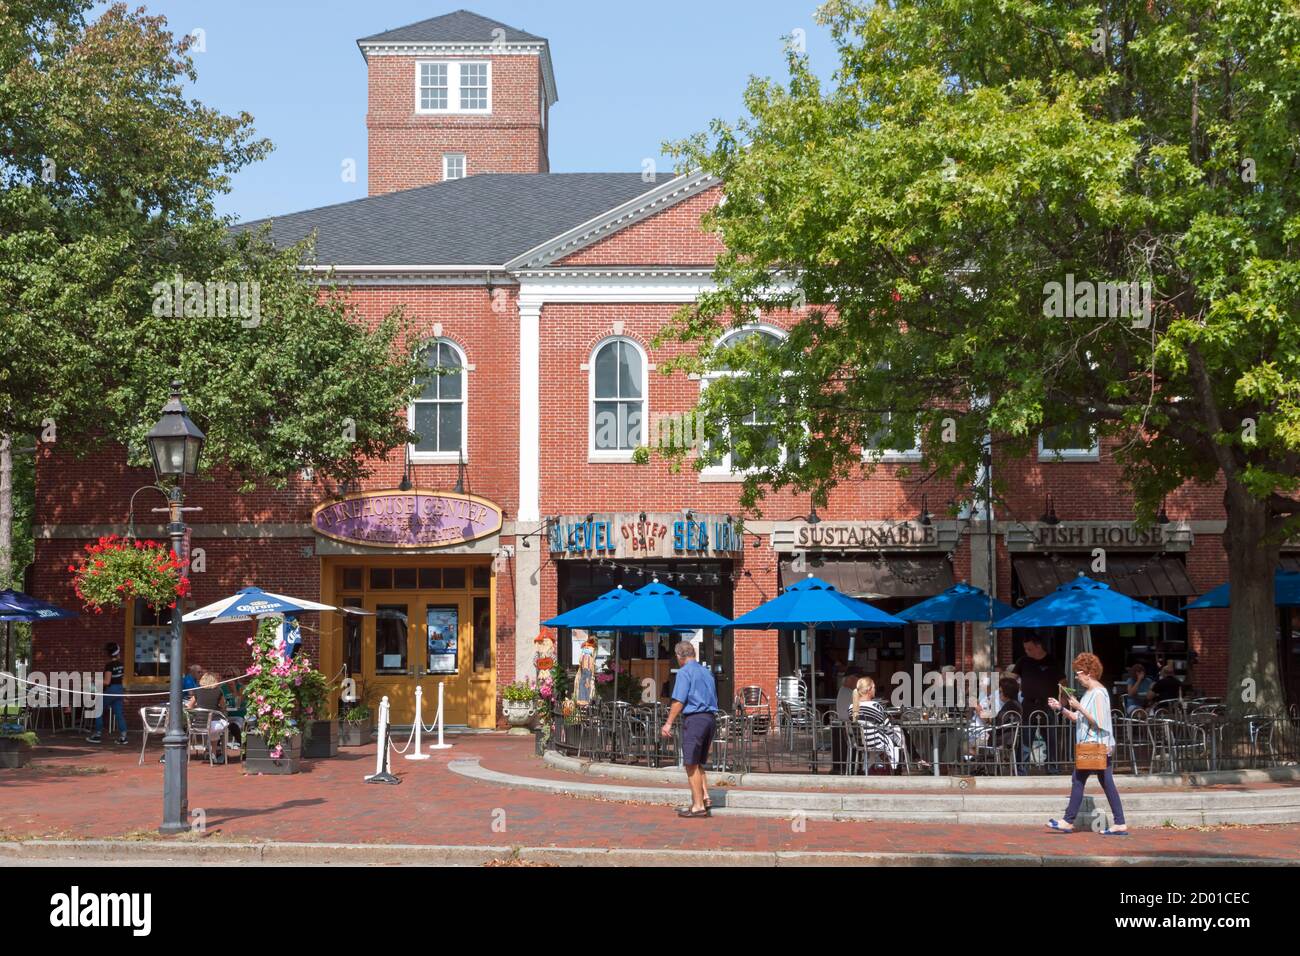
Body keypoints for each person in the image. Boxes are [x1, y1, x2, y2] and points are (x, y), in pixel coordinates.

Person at [1045, 653, 1127, 835]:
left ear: (1088, 673)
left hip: (1095, 744)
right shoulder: (1090, 693)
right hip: (1094, 745)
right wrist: (1061, 708)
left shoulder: (1098, 693)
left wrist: (1079, 707)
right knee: (1104, 782)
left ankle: (1068, 820)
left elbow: (1100, 721)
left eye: (1078, 672)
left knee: (1079, 779)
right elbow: (1078, 718)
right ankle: (1119, 822)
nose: (1076, 676)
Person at [661, 641, 718, 818]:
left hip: (695, 719)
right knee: (699, 761)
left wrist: (668, 723)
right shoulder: (706, 672)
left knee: (691, 763)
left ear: (679, 656)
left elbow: (679, 700)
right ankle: (706, 797)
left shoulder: (685, 672)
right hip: (710, 718)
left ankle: (698, 806)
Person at [1013, 635, 1064, 768]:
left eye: (1029, 649)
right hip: (1028, 704)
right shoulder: (1023, 661)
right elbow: (1012, 680)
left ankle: (1053, 768)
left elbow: (1063, 682)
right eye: (1025, 649)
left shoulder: (1053, 661)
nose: (1027, 652)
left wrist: (1063, 699)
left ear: (1038, 646)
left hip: (1048, 705)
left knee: (1051, 739)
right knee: (1025, 738)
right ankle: (1021, 769)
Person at [849, 676, 906, 772]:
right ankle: (896, 768)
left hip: (860, 742)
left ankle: (872, 767)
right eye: (874, 687)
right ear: (869, 689)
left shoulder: (851, 707)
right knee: (898, 733)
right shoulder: (875, 706)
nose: (875, 690)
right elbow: (887, 726)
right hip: (876, 742)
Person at [86, 642, 128, 745]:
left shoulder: (109, 666)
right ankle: (123, 736)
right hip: (119, 690)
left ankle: (98, 734)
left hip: (111, 690)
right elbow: (121, 678)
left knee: (98, 709)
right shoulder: (121, 665)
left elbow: (107, 682)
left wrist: (93, 679)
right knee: (118, 713)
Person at [185, 672, 230, 764]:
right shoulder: (218, 691)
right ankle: (213, 753)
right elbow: (223, 706)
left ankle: (208, 751)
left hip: (198, 724)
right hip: (214, 724)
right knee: (218, 728)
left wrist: (198, 707)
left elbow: (189, 706)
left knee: (210, 729)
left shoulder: (197, 691)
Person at [833, 667, 863, 773]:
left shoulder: (844, 691)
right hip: (856, 731)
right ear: (850, 679)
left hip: (850, 729)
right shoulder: (851, 693)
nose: (859, 682)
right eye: (857, 679)